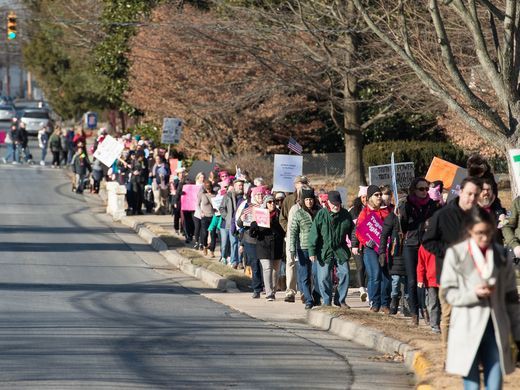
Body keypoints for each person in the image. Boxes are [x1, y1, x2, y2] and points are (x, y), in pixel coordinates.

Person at [441, 207, 520, 389]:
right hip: (466, 326)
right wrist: (473, 293)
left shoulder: (501, 255)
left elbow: (511, 299)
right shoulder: (456, 255)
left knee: (494, 384)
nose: (484, 238)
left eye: (488, 232)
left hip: (495, 327)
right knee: (472, 384)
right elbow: (448, 293)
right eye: (479, 233)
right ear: (469, 231)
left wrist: (517, 334)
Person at [423, 176, 482, 342]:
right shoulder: (442, 215)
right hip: (450, 274)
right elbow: (428, 241)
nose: (472, 198)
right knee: (449, 316)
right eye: (469, 193)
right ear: (461, 192)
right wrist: (449, 252)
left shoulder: (481, 216)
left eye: (475, 195)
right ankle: (449, 354)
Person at [398, 177, 439, 325]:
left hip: (426, 245)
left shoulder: (432, 205)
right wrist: (401, 215)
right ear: (414, 190)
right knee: (412, 280)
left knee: (425, 280)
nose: (424, 192)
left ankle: (425, 308)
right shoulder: (407, 204)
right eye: (421, 189)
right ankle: (415, 312)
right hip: (411, 244)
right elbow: (402, 227)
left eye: (426, 189)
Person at [308, 191, 353, 307]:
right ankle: (327, 301)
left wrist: (355, 244)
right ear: (328, 202)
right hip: (324, 250)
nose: (336, 206)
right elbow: (313, 233)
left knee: (345, 273)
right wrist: (312, 251)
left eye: (338, 204)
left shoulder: (345, 215)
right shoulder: (321, 214)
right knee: (323, 278)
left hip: (340, 249)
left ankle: (340, 299)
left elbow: (353, 231)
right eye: (333, 203)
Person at [352, 185, 391, 313]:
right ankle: (375, 302)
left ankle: (385, 303)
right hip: (370, 249)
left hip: (384, 247)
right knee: (375, 274)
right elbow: (358, 231)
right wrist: (364, 241)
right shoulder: (364, 213)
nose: (379, 197)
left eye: (380, 195)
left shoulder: (386, 211)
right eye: (376, 195)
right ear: (369, 198)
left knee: (385, 275)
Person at [280, 175, 309, 303]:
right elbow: (282, 218)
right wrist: (289, 230)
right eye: (299, 183)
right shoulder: (288, 200)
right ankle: (290, 291)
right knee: (290, 262)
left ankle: (305, 290)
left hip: (305, 237)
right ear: (295, 185)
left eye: (304, 183)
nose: (302, 185)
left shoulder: (310, 198)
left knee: (305, 262)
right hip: (291, 236)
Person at [290, 188, 321, 309]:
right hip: (303, 248)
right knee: (304, 275)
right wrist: (292, 249)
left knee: (317, 274)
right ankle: (308, 300)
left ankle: (316, 296)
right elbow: (293, 232)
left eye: (311, 199)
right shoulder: (299, 214)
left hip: (317, 248)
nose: (309, 202)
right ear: (303, 200)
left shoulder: (320, 212)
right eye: (307, 200)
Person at [249, 195, 285, 301]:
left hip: (277, 246)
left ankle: (273, 291)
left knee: (275, 271)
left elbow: (284, 229)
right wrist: (255, 226)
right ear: (265, 204)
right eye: (269, 202)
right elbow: (253, 233)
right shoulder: (259, 214)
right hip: (263, 246)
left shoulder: (280, 214)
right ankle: (269, 293)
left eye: (273, 202)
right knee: (267, 268)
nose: (272, 204)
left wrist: (276, 224)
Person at [237, 185, 266, 298]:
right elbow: (239, 223)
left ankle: (266, 286)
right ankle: (257, 288)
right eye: (257, 195)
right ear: (253, 196)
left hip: (264, 239)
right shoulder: (248, 207)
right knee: (255, 264)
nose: (260, 196)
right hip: (250, 239)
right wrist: (242, 219)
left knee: (264, 264)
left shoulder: (267, 206)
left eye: (261, 194)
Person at [379, 209, 409, 316]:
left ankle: (406, 304)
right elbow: (384, 235)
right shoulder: (391, 217)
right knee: (395, 280)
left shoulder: (411, 215)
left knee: (407, 280)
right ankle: (394, 299)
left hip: (407, 251)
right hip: (395, 253)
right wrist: (382, 252)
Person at [219, 178, 246, 268]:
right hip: (232, 224)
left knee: (241, 244)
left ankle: (240, 261)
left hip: (242, 224)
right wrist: (227, 217)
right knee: (234, 243)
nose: (241, 187)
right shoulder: (228, 196)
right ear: (234, 186)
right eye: (239, 185)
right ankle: (234, 261)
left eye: (242, 185)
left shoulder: (245, 197)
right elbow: (221, 208)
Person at [349, 186, 368, 302]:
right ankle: (362, 289)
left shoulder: (373, 209)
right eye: (363, 197)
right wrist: (352, 244)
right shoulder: (353, 211)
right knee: (360, 266)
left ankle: (367, 287)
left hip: (369, 244)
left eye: (367, 197)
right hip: (356, 244)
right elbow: (349, 228)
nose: (365, 199)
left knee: (368, 268)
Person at [417, 244, 440, 333]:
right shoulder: (424, 247)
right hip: (431, 280)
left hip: (445, 279)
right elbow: (421, 264)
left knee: (444, 304)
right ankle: (435, 325)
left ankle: (442, 324)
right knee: (433, 303)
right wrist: (420, 279)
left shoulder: (446, 242)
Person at [478, 176, 506, 243]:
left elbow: (501, 216)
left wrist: (502, 216)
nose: (486, 192)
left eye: (488, 189)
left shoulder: (495, 202)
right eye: (483, 190)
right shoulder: (473, 205)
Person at [197, 180, 215, 256]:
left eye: (209, 188)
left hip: (213, 216)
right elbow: (197, 204)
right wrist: (201, 212)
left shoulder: (215, 194)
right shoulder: (202, 194)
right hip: (204, 216)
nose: (208, 190)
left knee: (213, 234)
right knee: (204, 233)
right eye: (207, 188)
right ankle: (205, 246)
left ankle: (212, 251)